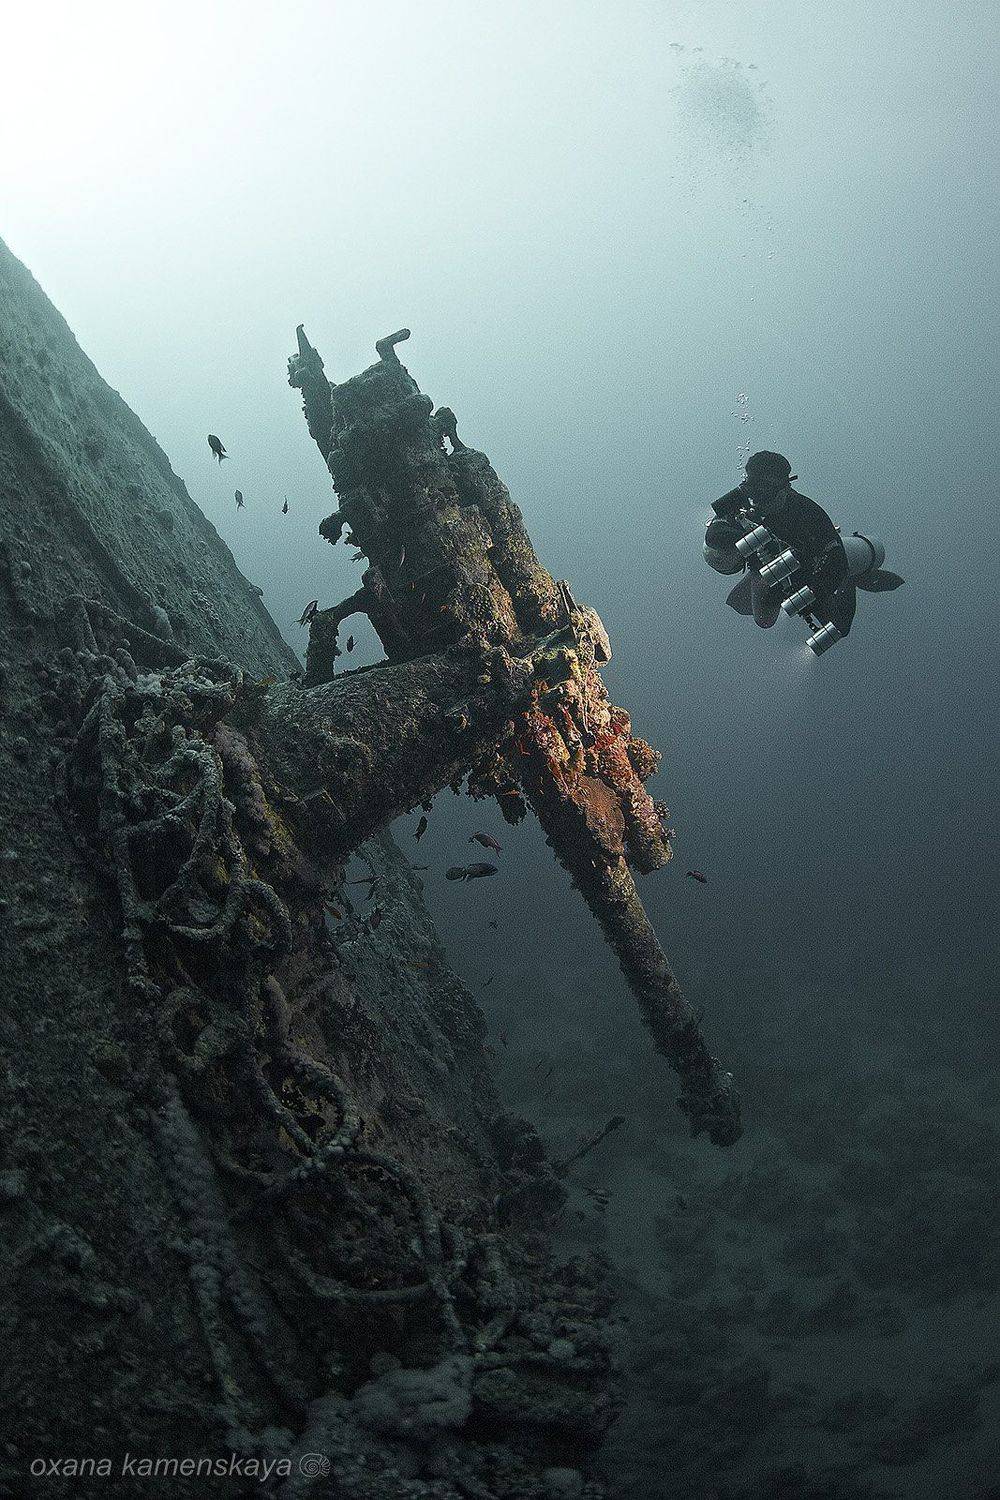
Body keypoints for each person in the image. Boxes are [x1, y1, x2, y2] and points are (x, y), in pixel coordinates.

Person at [705, 451, 856, 635]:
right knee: (763, 619)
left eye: (766, 494)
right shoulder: (742, 497)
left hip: (808, 571)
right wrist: (748, 535)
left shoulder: (808, 513)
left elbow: (838, 564)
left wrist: (811, 594)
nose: (759, 502)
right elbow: (713, 535)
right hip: (770, 566)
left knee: (839, 627)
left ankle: (856, 577)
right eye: (755, 492)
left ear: (786, 488)